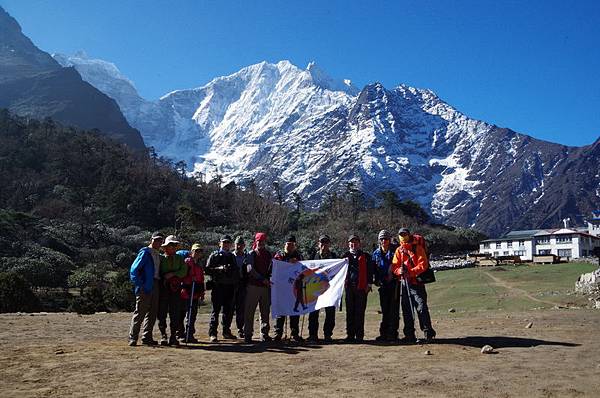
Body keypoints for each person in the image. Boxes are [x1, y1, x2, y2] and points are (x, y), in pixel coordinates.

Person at [391, 227, 436, 343]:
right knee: (407, 309)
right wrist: (398, 271)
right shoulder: (399, 250)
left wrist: (409, 272)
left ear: (408, 234)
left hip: (416, 283)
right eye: (401, 234)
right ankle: (409, 334)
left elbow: (423, 265)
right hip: (405, 284)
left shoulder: (417, 248)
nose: (403, 236)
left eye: (405, 234)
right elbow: (395, 266)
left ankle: (427, 332)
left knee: (421, 307)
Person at [128, 231, 164, 346]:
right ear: (151, 240)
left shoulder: (158, 255)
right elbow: (134, 270)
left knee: (152, 312)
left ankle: (147, 337)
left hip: (156, 284)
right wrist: (140, 284)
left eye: (160, 240)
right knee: (140, 312)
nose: (158, 242)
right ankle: (133, 337)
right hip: (145, 285)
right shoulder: (145, 253)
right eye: (156, 240)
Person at [205, 235, 239, 342]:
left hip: (230, 286)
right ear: (220, 243)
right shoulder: (214, 255)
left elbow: (235, 271)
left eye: (228, 242)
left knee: (228, 311)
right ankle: (213, 333)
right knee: (216, 310)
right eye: (224, 242)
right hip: (218, 286)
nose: (226, 244)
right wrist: (219, 269)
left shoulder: (232, 256)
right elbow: (207, 270)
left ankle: (226, 331)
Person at [341, 234, 374, 343]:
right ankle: (350, 335)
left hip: (361, 288)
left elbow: (370, 271)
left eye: (356, 242)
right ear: (348, 244)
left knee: (360, 312)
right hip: (349, 287)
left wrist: (369, 284)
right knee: (349, 312)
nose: (353, 244)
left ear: (359, 244)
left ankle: (359, 335)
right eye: (352, 242)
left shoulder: (366, 256)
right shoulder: (344, 256)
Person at [273, 235, 304, 342]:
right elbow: (274, 268)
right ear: (284, 244)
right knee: (281, 311)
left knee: (295, 311)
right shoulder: (279, 256)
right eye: (288, 244)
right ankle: (278, 333)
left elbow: (304, 270)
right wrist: (287, 263)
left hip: (294, 288)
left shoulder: (299, 256)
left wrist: (298, 263)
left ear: (295, 245)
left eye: (292, 244)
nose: (289, 246)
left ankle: (295, 333)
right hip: (282, 288)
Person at [158, 235, 187, 346]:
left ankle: (173, 335)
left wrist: (173, 274)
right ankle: (163, 335)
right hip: (163, 289)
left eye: (175, 245)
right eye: (171, 245)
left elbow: (184, 271)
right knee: (162, 312)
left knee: (175, 312)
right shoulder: (161, 258)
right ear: (166, 247)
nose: (173, 247)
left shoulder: (179, 259)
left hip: (175, 289)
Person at [307, 234, 337, 343]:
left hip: (330, 289)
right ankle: (312, 335)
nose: (324, 245)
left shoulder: (334, 257)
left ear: (329, 244)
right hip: (315, 289)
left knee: (330, 313)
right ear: (318, 244)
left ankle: (328, 335)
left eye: (326, 242)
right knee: (313, 312)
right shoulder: (313, 256)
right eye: (322, 242)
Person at [243, 232, 273, 344]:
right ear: (256, 241)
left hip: (265, 287)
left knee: (265, 311)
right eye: (259, 241)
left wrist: (269, 279)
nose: (261, 243)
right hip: (253, 286)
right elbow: (250, 269)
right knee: (249, 311)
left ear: (265, 242)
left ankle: (264, 334)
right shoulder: (251, 254)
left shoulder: (268, 254)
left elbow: (272, 268)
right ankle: (248, 334)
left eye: (262, 241)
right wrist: (262, 279)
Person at [372, 229, 400, 342]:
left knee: (394, 310)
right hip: (383, 286)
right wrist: (376, 280)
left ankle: (393, 333)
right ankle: (383, 334)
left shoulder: (395, 252)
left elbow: (398, 265)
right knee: (385, 310)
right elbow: (373, 269)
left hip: (394, 284)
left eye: (386, 239)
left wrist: (392, 274)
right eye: (382, 239)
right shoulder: (376, 253)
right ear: (379, 240)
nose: (384, 241)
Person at [178, 243, 205, 343]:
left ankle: (189, 334)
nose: (198, 253)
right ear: (192, 251)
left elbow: (201, 279)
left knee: (192, 314)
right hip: (186, 292)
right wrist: (190, 277)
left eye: (199, 251)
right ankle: (180, 333)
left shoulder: (199, 264)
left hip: (195, 292)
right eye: (196, 251)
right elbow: (182, 275)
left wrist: (202, 293)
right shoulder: (187, 262)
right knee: (182, 313)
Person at [231, 236, 250, 338]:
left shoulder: (247, 257)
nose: (239, 246)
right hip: (231, 285)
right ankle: (226, 329)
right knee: (229, 308)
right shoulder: (230, 256)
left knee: (241, 308)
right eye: (237, 244)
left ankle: (240, 329)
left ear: (244, 246)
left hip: (242, 284)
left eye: (241, 245)